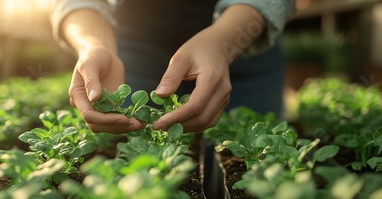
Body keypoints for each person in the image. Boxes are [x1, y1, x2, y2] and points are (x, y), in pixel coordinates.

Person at [48, 0, 296, 134]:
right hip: (136, 42)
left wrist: (223, 43)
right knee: (134, 146)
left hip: (243, 38)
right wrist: (93, 43)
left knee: (253, 155)